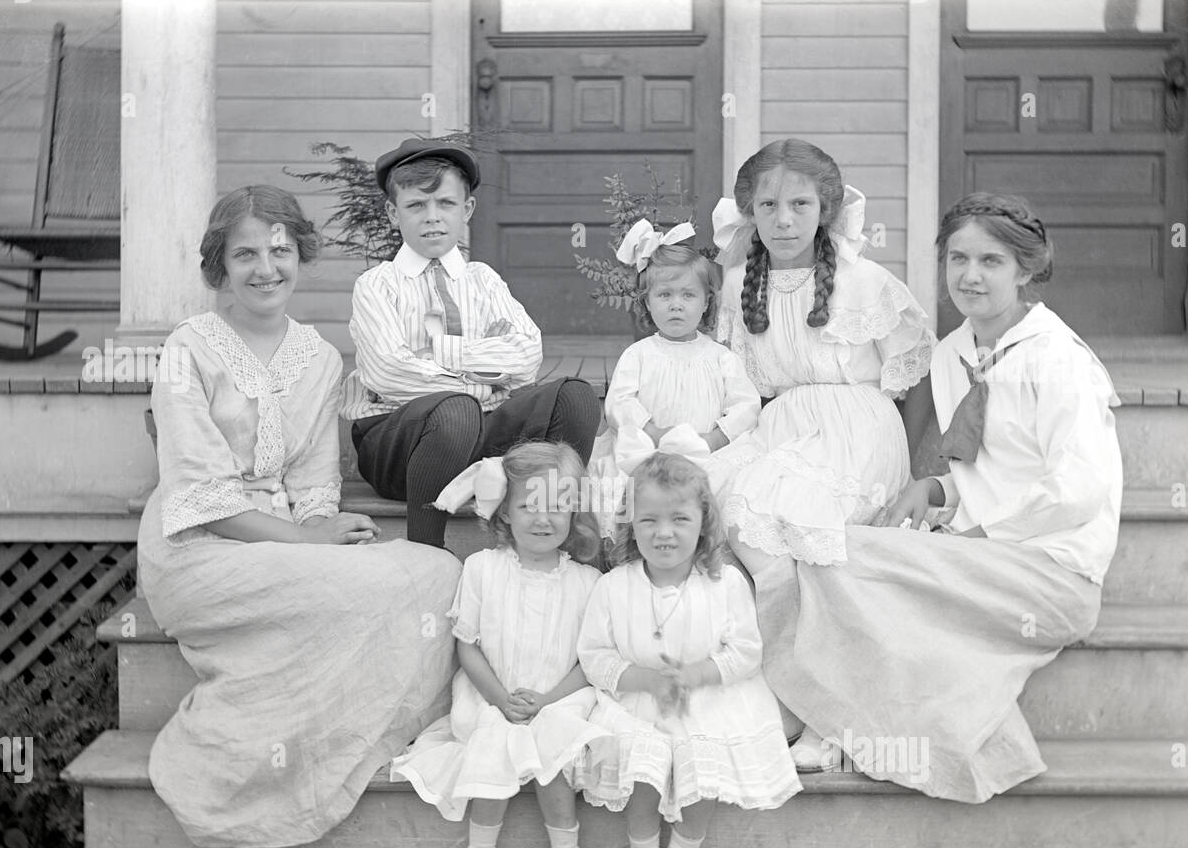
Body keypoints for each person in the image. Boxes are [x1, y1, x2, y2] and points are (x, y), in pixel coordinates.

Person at [752, 192, 1123, 804]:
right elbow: (998, 470)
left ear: (1025, 270)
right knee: (833, 549)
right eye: (958, 259)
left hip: (1052, 573)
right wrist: (938, 489)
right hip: (986, 559)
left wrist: (974, 538)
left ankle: (832, 721)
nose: (970, 276)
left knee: (851, 562)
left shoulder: (1058, 362)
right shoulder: (954, 353)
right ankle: (840, 718)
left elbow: (1078, 492)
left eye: (991, 261)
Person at [140, 185, 462, 848]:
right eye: (246, 254)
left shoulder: (317, 357)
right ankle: (240, 761)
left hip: (287, 541)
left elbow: (315, 481)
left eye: (281, 250)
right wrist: (306, 540)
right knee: (372, 584)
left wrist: (325, 531)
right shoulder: (189, 348)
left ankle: (353, 727)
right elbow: (201, 495)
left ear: (300, 255)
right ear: (219, 266)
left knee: (437, 573)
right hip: (198, 545)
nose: (266, 269)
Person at [574, 454, 801, 848]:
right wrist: (646, 680)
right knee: (640, 763)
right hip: (636, 696)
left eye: (680, 519)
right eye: (649, 519)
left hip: (709, 695)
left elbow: (745, 651)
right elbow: (595, 655)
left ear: (703, 524)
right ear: (630, 524)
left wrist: (695, 675)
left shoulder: (725, 583)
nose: (664, 532)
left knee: (705, 762)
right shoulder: (614, 587)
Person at [341, 138, 601, 548]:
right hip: (397, 443)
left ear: (467, 210)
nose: (432, 218)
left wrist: (444, 353)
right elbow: (389, 371)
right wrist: (482, 387)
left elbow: (527, 353)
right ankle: (425, 551)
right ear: (393, 213)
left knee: (575, 397)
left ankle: (552, 539)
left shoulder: (482, 280)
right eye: (416, 206)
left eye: (445, 204)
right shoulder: (377, 286)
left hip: (478, 430)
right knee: (457, 411)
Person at [390, 442, 608, 848]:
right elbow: (467, 643)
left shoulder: (588, 582)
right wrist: (498, 698)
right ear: (504, 512)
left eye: (557, 506)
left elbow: (590, 659)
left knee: (552, 753)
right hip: (494, 694)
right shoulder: (482, 570)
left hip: (560, 697)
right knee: (493, 745)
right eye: (528, 505)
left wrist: (549, 699)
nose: (542, 518)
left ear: (574, 512)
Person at [711, 138, 934, 571]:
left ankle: (793, 618)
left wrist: (904, 458)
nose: (784, 220)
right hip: (780, 429)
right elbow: (736, 384)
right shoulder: (740, 284)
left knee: (768, 502)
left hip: (859, 434)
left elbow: (918, 372)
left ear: (825, 210)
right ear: (750, 211)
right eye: (768, 205)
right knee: (710, 487)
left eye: (800, 204)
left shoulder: (863, 280)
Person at [586, 218, 761, 540]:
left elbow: (746, 406)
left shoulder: (720, 357)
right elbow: (619, 403)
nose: (676, 304)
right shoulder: (639, 354)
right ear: (647, 301)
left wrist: (714, 440)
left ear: (707, 301)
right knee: (622, 485)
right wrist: (652, 431)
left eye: (688, 295)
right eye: (664, 295)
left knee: (726, 483)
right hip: (649, 450)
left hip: (706, 452)